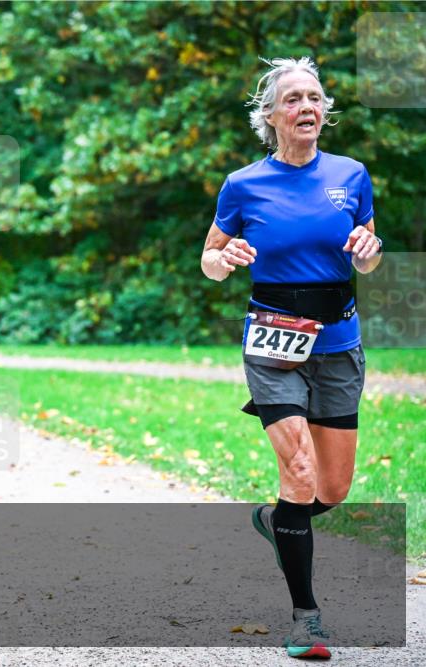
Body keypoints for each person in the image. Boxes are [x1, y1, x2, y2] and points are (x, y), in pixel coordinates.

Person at [200, 57, 382, 660]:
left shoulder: (351, 175)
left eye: (315, 98)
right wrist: (223, 262)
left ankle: (274, 520)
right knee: (299, 474)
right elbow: (211, 256)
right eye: (293, 99)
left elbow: (367, 255)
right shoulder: (243, 183)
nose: (307, 107)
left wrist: (368, 249)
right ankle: (307, 619)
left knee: (331, 488)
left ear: (324, 111)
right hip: (273, 341)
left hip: (338, 344)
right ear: (272, 115)